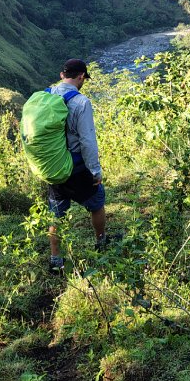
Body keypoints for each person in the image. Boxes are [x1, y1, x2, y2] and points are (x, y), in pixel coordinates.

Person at [45, 58, 107, 272]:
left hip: (54, 166)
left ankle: (55, 260)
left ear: (63, 75)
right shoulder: (81, 102)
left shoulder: (47, 95)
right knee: (97, 202)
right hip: (77, 167)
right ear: (81, 76)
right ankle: (102, 243)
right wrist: (95, 170)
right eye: (84, 79)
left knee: (56, 213)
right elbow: (87, 141)